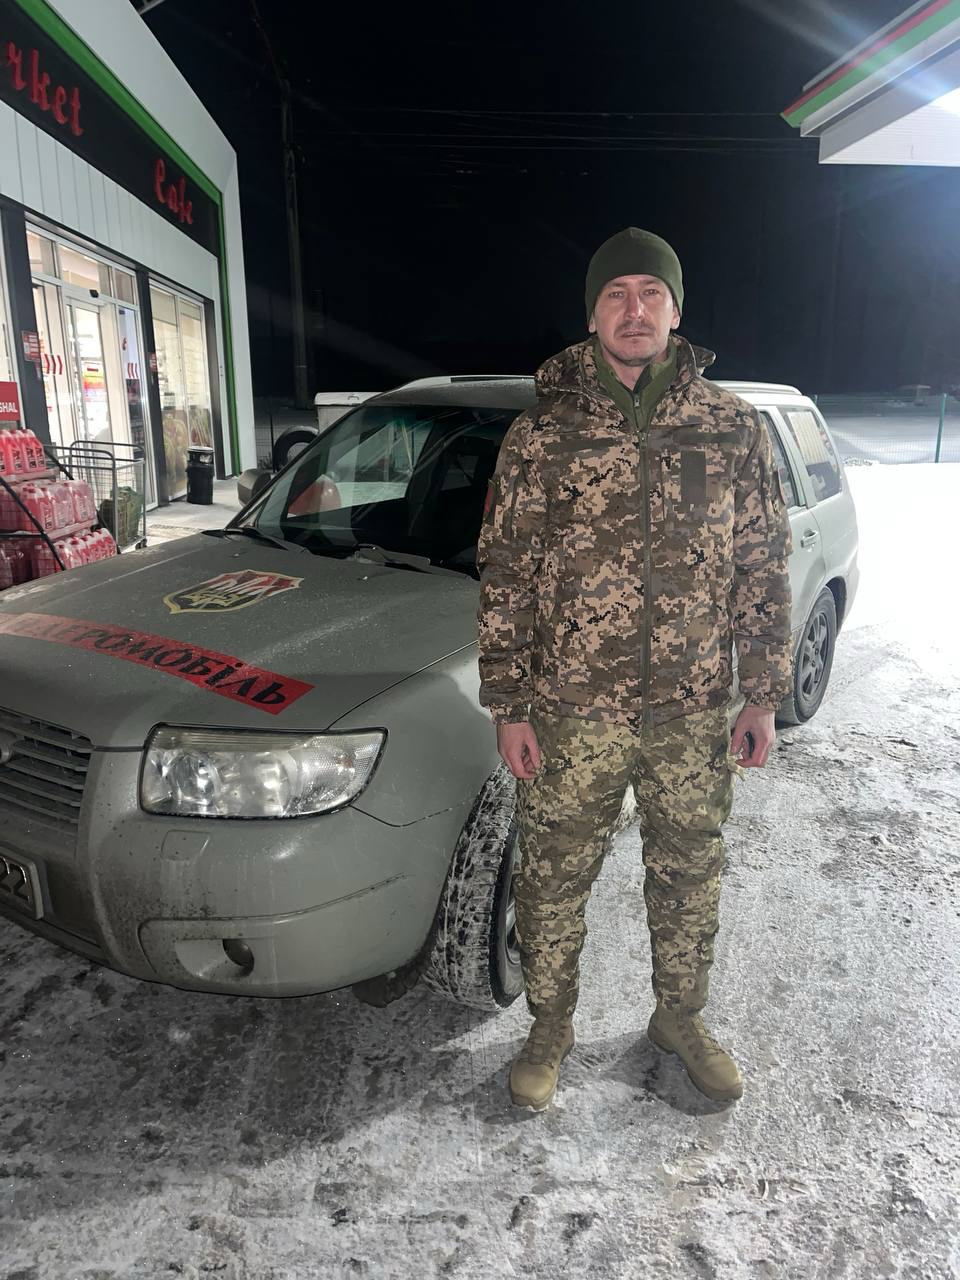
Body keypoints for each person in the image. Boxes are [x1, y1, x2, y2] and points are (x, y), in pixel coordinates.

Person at [477, 227, 793, 1111]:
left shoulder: (731, 428)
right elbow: (506, 572)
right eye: (616, 294)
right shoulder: (543, 433)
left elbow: (762, 566)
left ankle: (679, 1019)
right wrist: (509, 702)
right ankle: (550, 1027)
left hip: (691, 709)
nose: (634, 309)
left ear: (675, 311)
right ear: (592, 315)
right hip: (571, 708)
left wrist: (762, 695)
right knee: (552, 876)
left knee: (690, 868)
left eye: (651, 293)